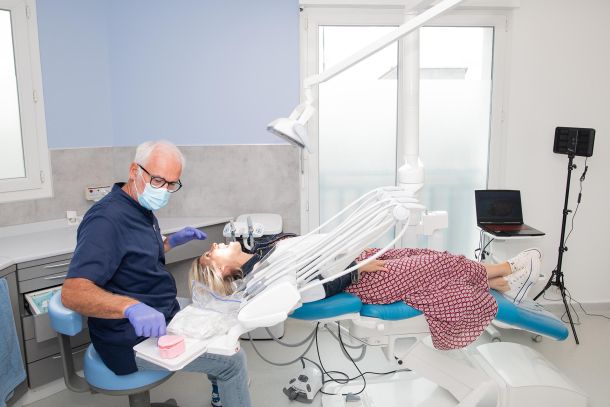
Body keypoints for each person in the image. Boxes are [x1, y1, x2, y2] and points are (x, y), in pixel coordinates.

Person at [62, 140, 251, 407]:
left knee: (219, 321)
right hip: (128, 338)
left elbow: (132, 255)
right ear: (134, 171)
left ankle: (222, 397)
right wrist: (130, 308)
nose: (163, 190)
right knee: (233, 361)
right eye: (158, 180)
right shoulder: (106, 220)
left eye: (171, 184)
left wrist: (171, 242)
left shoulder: (139, 207)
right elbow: (73, 292)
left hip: (162, 313)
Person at [190, 233, 541, 350]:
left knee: (424, 254)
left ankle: (493, 281)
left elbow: (307, 251)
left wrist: (354, 261)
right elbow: (311, 292)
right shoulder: (264, 276)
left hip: (352, 263)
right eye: (211, 253)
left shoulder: (263, 254)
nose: (215, 244)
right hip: (359, 279)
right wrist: (356, 270)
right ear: (221, 270)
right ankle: (508, 269)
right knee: (435, 266)